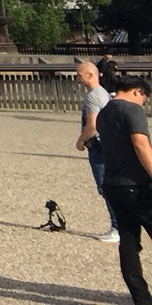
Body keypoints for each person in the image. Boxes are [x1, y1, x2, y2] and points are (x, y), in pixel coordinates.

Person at [98, 74, 152, 304]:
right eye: (145, 99)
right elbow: (141, 144)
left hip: (113, 184)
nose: (144, 104)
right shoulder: (132, 110)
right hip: (136, 185)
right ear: (137, 91)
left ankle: (141, 297)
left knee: (128, 242)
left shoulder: (103, 113)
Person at [80, 59, 123, 244]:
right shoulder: (102, 93)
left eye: (79, 75)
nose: (78, 79)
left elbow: (93, 124)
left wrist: (80, 141)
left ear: (90, 75)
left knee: (105, 187)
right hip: (106, 144)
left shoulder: (93, 96)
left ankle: (117, 226)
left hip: (98, 146)